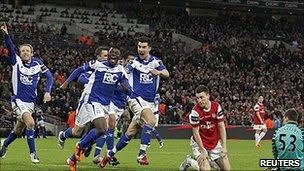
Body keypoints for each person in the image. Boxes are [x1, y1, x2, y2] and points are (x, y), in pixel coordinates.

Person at [100, 36, 169, 168]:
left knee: (130, 133)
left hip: (149, 102)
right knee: (151, 120)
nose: (141, 49)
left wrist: (159, 72)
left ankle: (109, 155)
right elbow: (125, 72)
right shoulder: (134, 63)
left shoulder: (155, 62)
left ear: (149, 48)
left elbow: (167, 73)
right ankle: (141, 154)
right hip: (135, 98)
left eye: (143, 47)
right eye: (139, 47)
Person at [65, 47, 131, 171]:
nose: (111, 57)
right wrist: (66, 82)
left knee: (101, 130)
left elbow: (125, 84)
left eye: (115, 55)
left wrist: (131, 92)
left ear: (119, 58)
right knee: (96, 128)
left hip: (107, 103)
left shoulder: (121, 70)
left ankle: (75, 155)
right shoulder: (98, 65)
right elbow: (80, 71)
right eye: (109, 55)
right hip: (93, 100)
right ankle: (83, 147)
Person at [0, 23, 53, 163]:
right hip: (18, 100)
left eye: (27, 51)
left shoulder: (38, 63)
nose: (24, 52)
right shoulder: (16, 61)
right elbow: (11, 49)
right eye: (22, 50)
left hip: (31, 103)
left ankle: (4, 145)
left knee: (17, 130)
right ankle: (33, 154)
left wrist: (48, 91)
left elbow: (49, 77)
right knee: (31, 123)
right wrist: (6, 35)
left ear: (32, 53)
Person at [58, 47, 108, 150]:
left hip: (102, 101)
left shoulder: (111, 68)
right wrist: (66, 83)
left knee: (101, 127)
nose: (107, 58)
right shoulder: (94, 67)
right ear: (98, 57)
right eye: (105, 56)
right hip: (88, 100)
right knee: (77, 131)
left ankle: (85, 146)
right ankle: (63, 135)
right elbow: (81, 77)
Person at [181, 85, 230, 170]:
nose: (199, 100)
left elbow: (221, 126)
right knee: (206, 169)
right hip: (199, 143)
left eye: (201, 97)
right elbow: (195, 132)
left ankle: (210, 161)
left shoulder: (216, 107)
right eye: (197, 98)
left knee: (226, 169)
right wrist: (202, 150)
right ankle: (190, 161)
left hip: (214, 142)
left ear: (208, 96)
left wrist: (224, 147)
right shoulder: (195, 112)